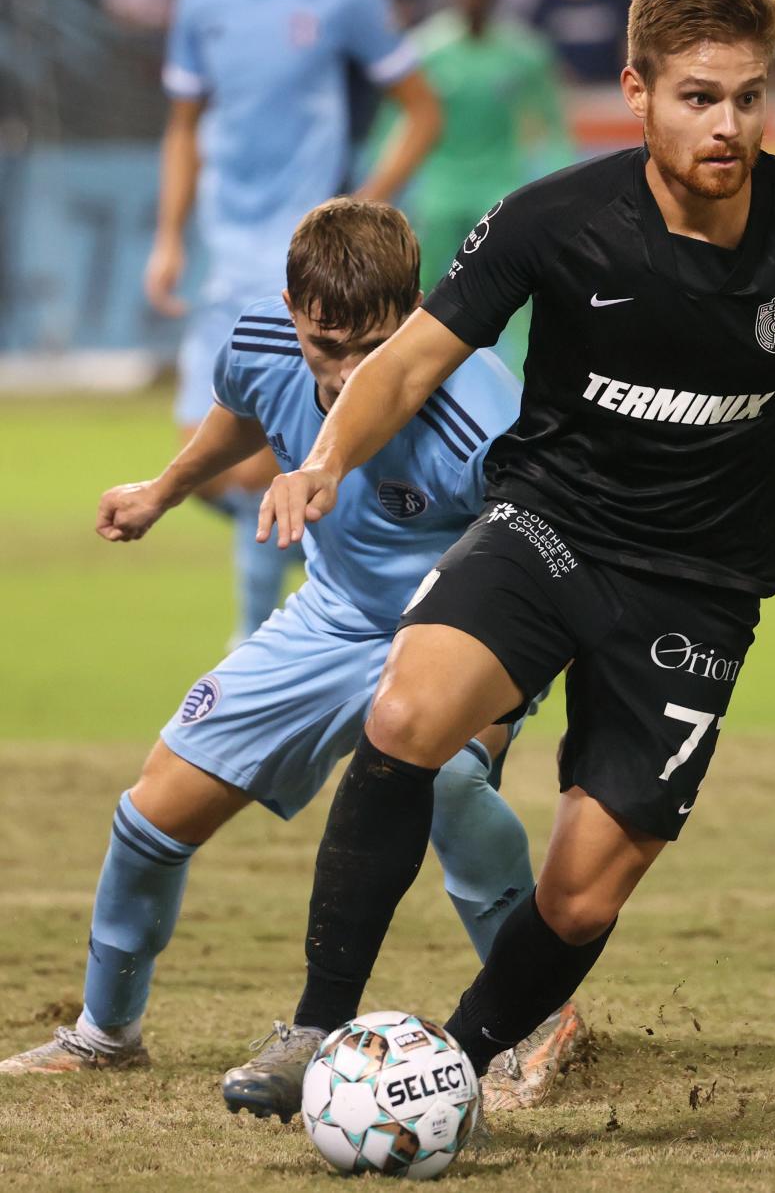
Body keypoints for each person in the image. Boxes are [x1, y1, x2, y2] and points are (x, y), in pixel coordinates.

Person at [248, 0, 775, 1096]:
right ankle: (315, 1029)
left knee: (580, 896)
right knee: (407, 709)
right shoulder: (557, 220)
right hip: (549, 531)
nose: (728, 124)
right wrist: (324, 461)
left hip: (699, 587)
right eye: (699, 97)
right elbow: (411, 357)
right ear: (638, 92)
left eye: (750, 96)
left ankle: (444, 1074)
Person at [0, 200, 574, 1119]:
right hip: (332, 618)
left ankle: (540, 1031)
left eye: (371, 349)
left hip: (465, 628)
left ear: (418, 312)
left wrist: (500, 699)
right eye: (324, 346)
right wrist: (165, 488)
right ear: (292, 310)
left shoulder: (486, 414)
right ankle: (105, 1036)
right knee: (152, 815)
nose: (346, 375)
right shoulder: (263, 339)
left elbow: (541, 555)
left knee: (456, 792)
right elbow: (240, 412)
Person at [145, 0, 441, 643]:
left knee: (257, 471)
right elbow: (184, 127)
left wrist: (362, 210)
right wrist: (168, 236)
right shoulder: (202, 5)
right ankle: (337, 569)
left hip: (306, 269)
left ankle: (258, 641)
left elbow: (421, 112)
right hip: (227, 260)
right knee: (205, 467)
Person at [377, 0, 573, 372]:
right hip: (440, 188)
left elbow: (552, 124)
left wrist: (565, 185)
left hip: (499, 186)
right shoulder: (426, 50)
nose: (474, 1)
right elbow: (395, 123)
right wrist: (383, 188)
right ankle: (406, 376)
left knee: (520, 291)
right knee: (422, 290)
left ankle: (525, 383)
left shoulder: (523, 53)